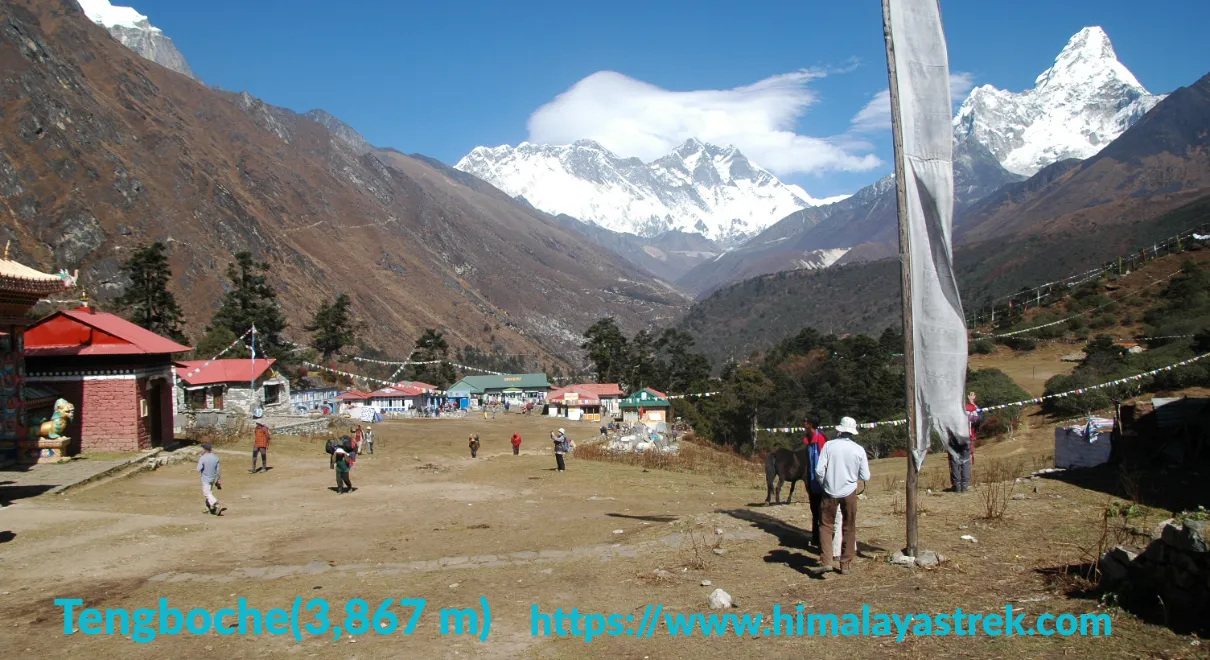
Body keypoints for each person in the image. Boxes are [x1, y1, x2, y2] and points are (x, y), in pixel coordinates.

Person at [811, 417, 869, 577]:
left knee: (825, 526)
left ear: (840, 430)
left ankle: (827, 561)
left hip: (829, 491)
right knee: (849, 527)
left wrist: (825, 484)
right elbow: (866, 475)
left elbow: (819, 470)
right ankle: (845, 564)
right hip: (849, 491)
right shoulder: (859, 449)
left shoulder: (829, 446)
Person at [802, 417, 828, 548]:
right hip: (812, 482)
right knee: (814, 511)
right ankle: (815, 538)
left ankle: (823, 541)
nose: (803, 423)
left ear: (811, 424)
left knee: (822, 513)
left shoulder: (821, 439)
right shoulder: (808, 441)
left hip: (822, 483)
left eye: (805, 421)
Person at [949, 392, 980, 493]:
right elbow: (978, 418)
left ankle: (957, 487)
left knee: (954, 463)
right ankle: (964, 487)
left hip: (953, 440)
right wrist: (972, 403)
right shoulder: (969, 410)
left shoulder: (950, 411)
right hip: (966, 439)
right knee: (965, 463)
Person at [197, 443, 223, 515]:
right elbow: (218, 470)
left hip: (205, 478)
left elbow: (198, 469)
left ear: (204, 450)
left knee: (207, 493)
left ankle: (216, 504)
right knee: (209, 492)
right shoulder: (216, 457)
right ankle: (207, 508)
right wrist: (219, 479)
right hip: (213, 478)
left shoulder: (203, 458)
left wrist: (200, 459)